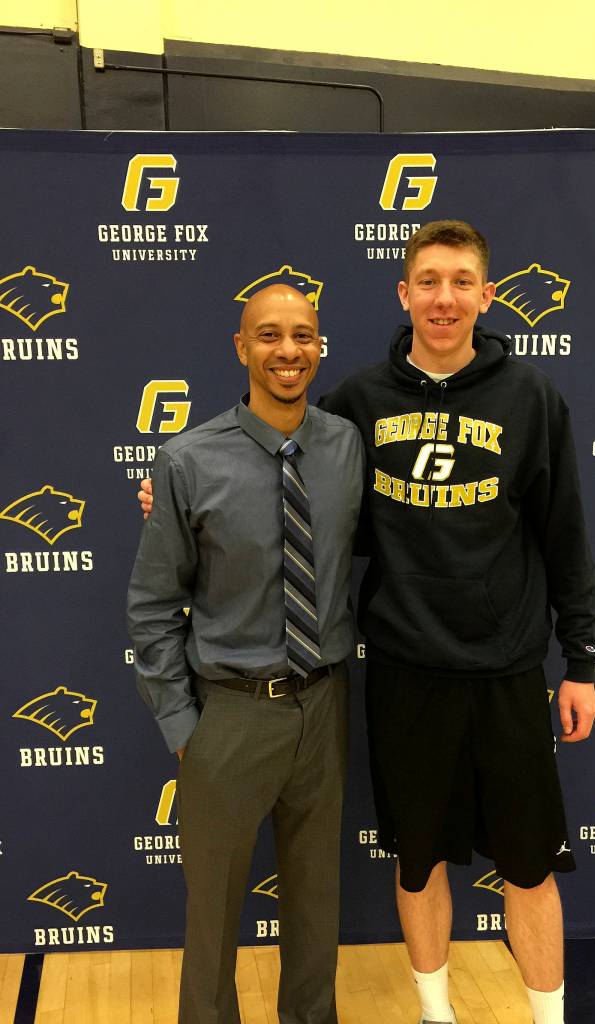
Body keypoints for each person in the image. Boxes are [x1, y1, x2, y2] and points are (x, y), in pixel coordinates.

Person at [139, 221, 595, 1024]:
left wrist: (583, 659)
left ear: (487, 295)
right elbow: (193, 549)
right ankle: (431, 1014)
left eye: (461, 281)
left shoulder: (508, 404)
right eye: (428, 280)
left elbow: (565, 535)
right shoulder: (341, 411)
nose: (444, 297)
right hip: (359, 682)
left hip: (473, 675)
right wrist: (167, 497)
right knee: (390, 869)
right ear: (404, 293)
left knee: (504, 872)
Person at [128, 284, 363, 1024]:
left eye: (302, 335)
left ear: (319, 345)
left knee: (317, 903)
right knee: (214, 916)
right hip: (229, 716)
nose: (287, 351)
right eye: (269, 335)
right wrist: (182, 729)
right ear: (241, 347)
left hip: (322, 704)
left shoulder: (345, 445)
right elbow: (153, 607)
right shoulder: (187, 461)